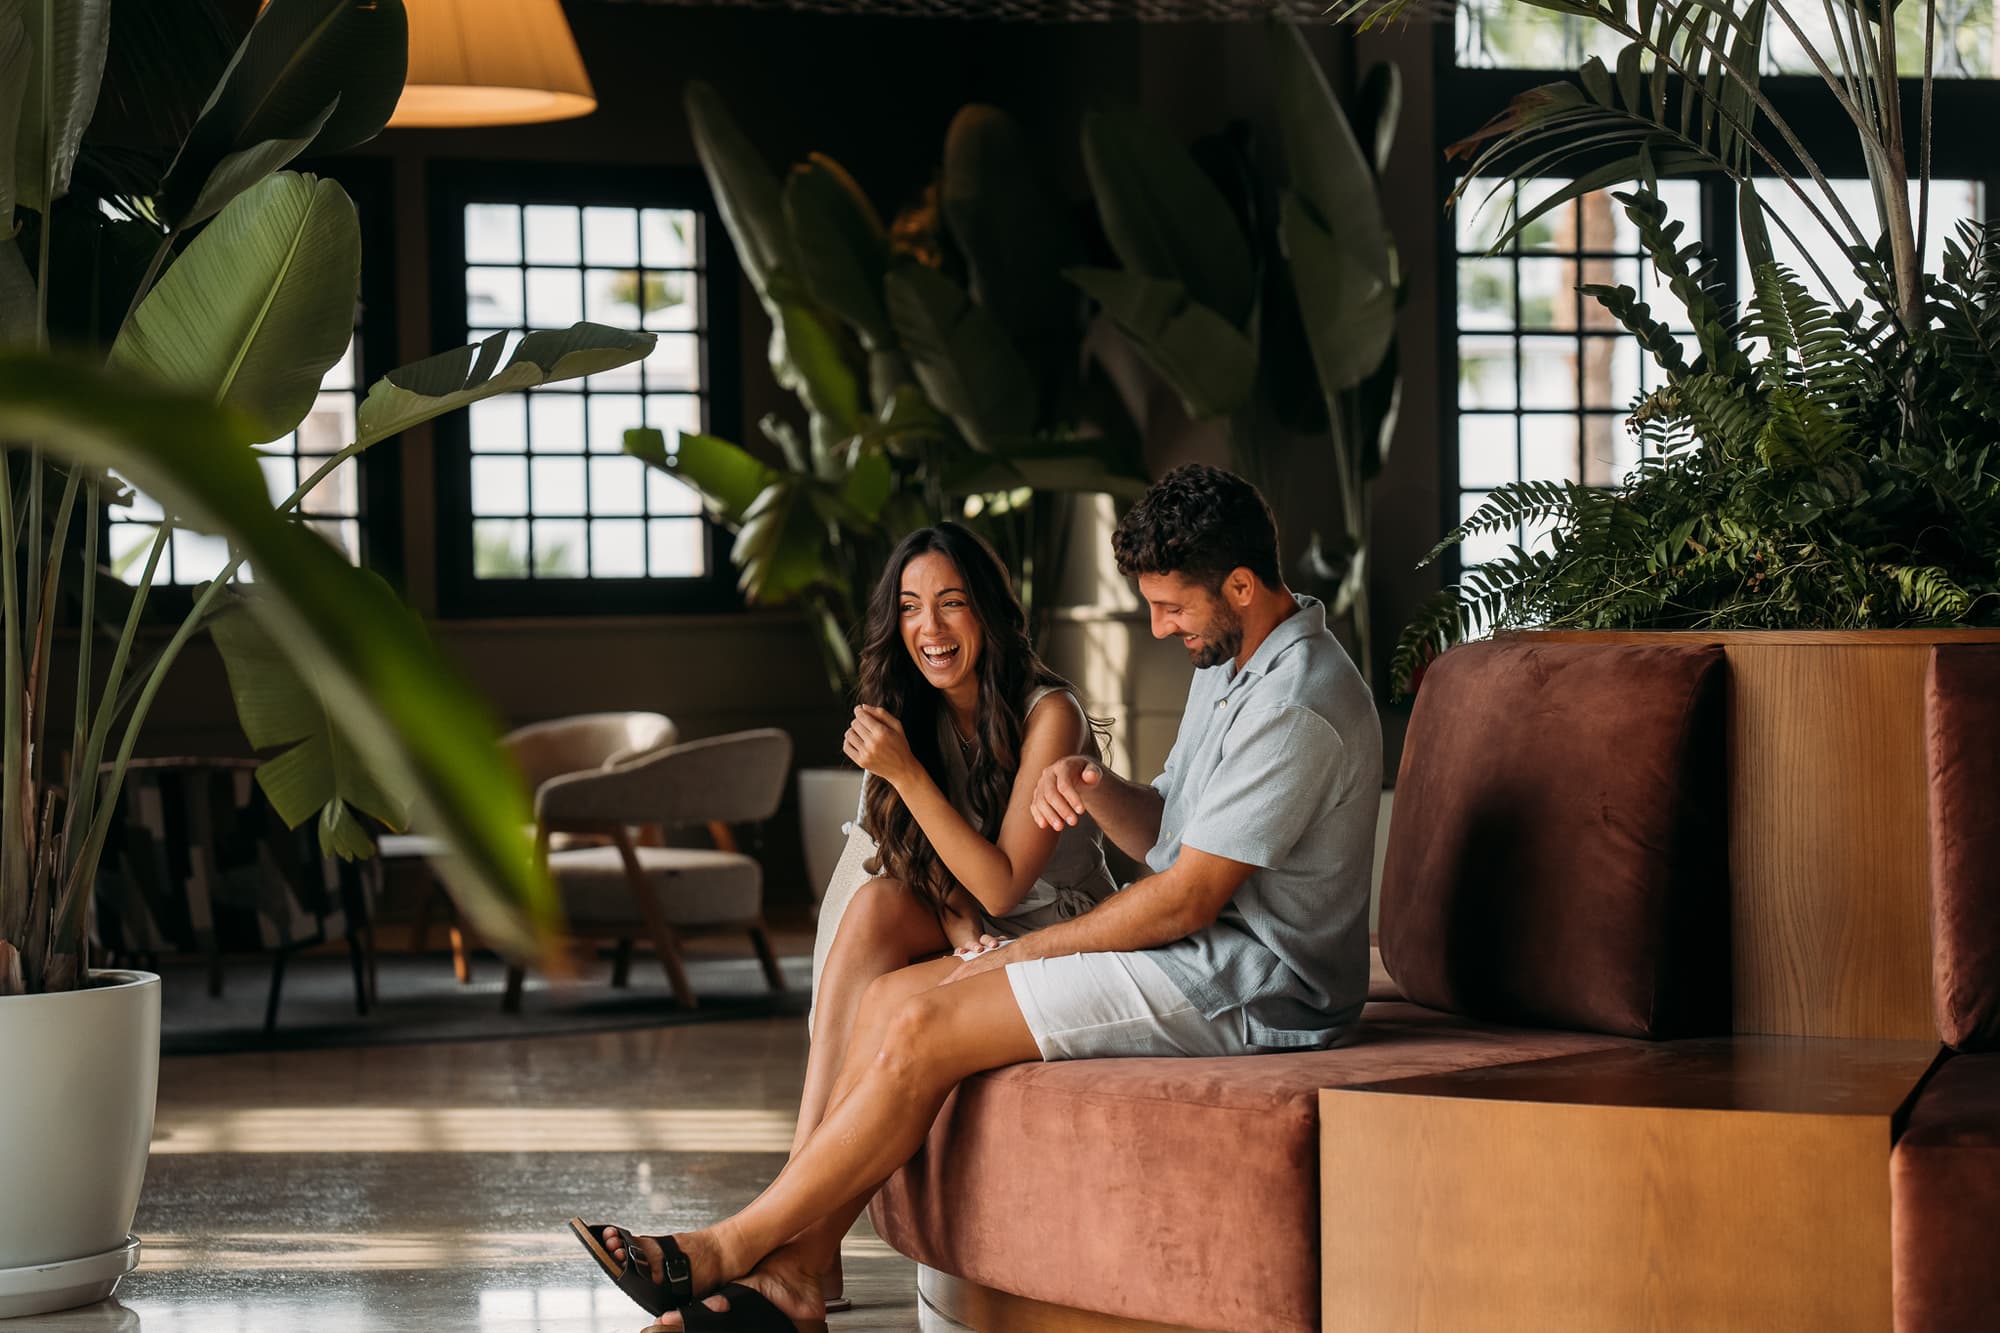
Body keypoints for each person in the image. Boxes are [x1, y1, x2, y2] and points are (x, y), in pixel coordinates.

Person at [570, 464, 1381, 1332]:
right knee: (887, 998)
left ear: (1242, 585)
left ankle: (727, 1247)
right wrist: (1096, 786)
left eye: (1170, 607)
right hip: (1201, 950)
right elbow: (1171, 836)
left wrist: (1016, 954)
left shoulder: (1297, 702)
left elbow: (1184, 899)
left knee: (926, 1018)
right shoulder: (1232, 657)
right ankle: (799, 1276)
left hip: (1257, 986)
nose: (1156, 625)